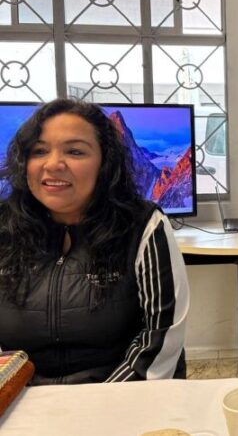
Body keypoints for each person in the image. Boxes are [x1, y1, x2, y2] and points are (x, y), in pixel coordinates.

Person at [0, 99, 189, 384]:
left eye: (75, 151)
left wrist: (97, 403)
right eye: (39, 151)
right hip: (21, 399)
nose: (53, 164)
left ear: (105, 163)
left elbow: (160, 338)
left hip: (121, 399)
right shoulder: (4, 227)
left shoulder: (142, 226)